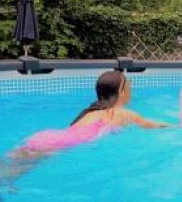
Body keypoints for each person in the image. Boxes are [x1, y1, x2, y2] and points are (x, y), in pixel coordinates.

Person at [1, 71, 171, 181]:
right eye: (129, 85)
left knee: (8, 168)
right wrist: (177, 125)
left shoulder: (89, 112)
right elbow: (154, 125)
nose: (131, 88)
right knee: (9, 176)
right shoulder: (123, 113)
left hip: (47, 136)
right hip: (55, 144)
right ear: (122, 92)